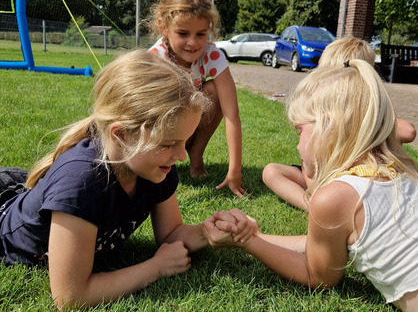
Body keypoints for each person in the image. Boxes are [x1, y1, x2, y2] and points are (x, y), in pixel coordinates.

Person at [204, 60, 418, 312]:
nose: (296, 144)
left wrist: (248, 243)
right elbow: (323, 246)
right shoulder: (400, 168)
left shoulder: (334, 197)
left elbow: (318, 274)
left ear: (328, 125)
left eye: (299, 131)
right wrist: (254, 234)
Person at [0, 50, 253, 309]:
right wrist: (154, 268)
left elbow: (170, 233)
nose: (181, 156)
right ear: (120, 135)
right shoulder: (81, 182)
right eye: (168, 144)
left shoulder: (156, 165)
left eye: (184, 143)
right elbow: (69, 297)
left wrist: (208, 231)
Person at [262, 37, 417, 211]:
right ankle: (312, 206)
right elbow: (308, 165)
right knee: (271, 171)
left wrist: (374, 123)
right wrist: (316, 189)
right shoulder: (316, 110)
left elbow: (408, 131)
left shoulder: (371, 110)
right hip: (322, 175)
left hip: (360, 177)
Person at [148, 0, 246, 197]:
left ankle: (196, 154)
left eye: (200, 34)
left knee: (215, 93)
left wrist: (235, 170)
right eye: (183, 33)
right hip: (163, 129)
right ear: (164, 27)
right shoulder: (155, 59)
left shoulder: (212, 55)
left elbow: (232, 114)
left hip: (191, 127)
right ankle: (165, 158)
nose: (192, 43)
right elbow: (143, 118)